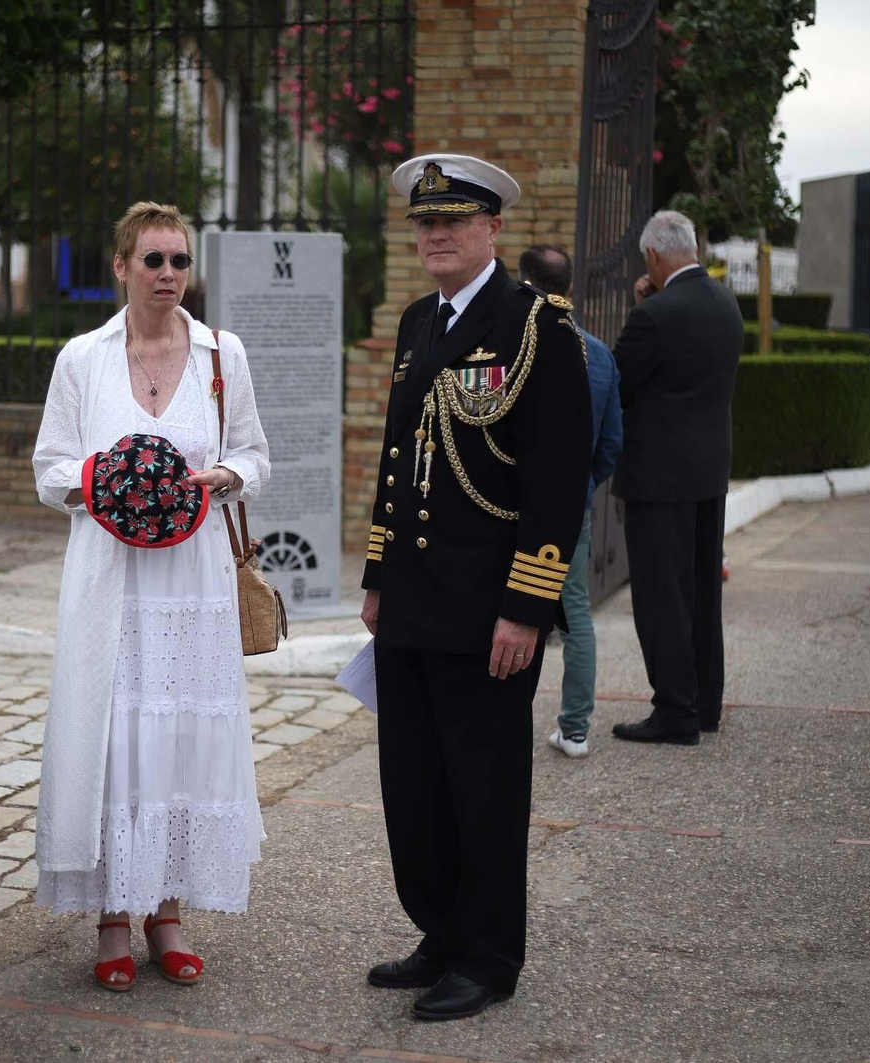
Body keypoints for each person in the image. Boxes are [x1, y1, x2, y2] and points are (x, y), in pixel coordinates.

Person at [360, 155, 591, 1020]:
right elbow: (395, 464)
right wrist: (379, 576)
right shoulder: (419, 321)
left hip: (490, 609)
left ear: (493, 229)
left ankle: (487, 957)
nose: (437, 235)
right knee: (415, 785)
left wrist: (527, 609)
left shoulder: (537, 328)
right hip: (414, 604)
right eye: (425, 223)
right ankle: (442, 930)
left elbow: (557, 486)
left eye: (454, 221)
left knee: (484, 789)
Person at [30, 202, 271, 990]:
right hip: (111, 583)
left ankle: (167, 912)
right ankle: (110, 917)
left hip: (194, 584)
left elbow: (255, 455)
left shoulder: (219, 353)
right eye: (154, 260)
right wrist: (104, 484)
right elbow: (50, 467)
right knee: (114, 741)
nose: (169, 275)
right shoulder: (83, 358)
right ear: (122, 266)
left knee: (177, 745)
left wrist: (226, 476)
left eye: (179, 261)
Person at [609, 210, 744, 746]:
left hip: (657, 480)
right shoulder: (724, 303)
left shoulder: (655, 316)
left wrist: (644, 309)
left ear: (653, 256)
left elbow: (620, 385)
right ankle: (704, 703)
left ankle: (674, 713)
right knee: (701, 592)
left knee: (662, 597)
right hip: (709, 474)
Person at [516, 244, 622, 759]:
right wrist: (580, 484)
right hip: (572, 505)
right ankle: (575, 727)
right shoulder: (599, 354)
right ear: (572, 290)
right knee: (574, 613)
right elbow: (611, 445)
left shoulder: (515, 343)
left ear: (521, 282)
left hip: (510, 508)